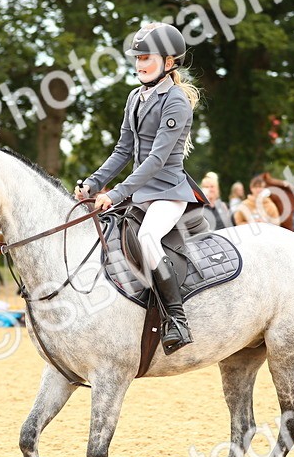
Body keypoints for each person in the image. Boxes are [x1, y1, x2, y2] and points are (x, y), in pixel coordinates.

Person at [77, 21, 207, 354]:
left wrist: (115, 194)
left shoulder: (175, 101)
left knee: (148, 238)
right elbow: (123, 150)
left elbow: (156, 160)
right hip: (139, 193)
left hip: (168, 192)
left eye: (146, 57)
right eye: (137, 58)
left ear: (168, 62)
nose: (139, 64)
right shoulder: (135, 97)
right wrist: (93, 183)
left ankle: (176, 318)